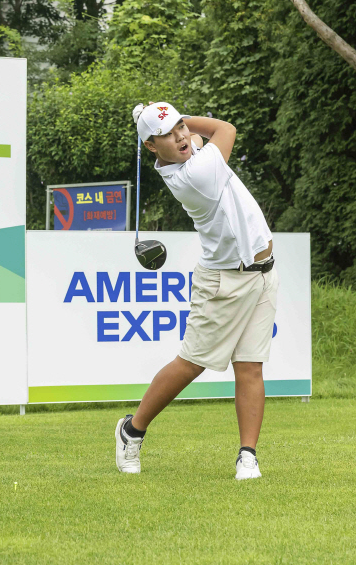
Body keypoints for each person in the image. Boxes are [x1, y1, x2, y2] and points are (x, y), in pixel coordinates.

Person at [115, 102, 277, 480]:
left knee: (251, 366)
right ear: (152, 148)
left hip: (263, 273)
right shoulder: (194, 174)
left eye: (180, 128)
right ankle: (132, 429)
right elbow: (225, 128)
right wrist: (183, 116)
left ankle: (247, 455)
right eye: (169, 135)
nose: (181, 136)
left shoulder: (192, 154)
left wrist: (171, 121)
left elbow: (200, 137)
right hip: (223, 280)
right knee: (191, 363)